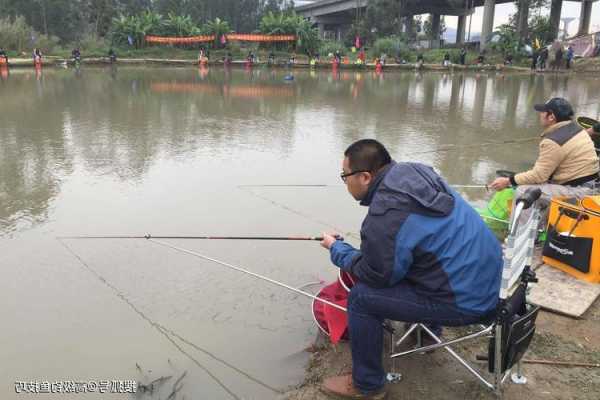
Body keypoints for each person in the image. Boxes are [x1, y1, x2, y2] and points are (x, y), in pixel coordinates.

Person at [319, 139, 503, 400]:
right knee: (418, 255)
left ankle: (367, 386)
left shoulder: (385, 214)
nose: (344, 182)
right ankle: (426, 335)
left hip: (467, 301)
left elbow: (376, 275)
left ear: (364, 177)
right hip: (486, 281)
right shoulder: (416, 171)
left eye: (344, 176)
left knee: (361, 298)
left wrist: (338, 250)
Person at [489, 98, 599, 225]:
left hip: (580, 192)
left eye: (543, 111)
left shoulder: (553, 141)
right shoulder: (577, 128)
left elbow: (539, 175)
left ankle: (519, 239)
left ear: (551, 116)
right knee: (534, 185)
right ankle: (539, 228)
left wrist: (508, 181)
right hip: (591, 186)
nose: (540, 114)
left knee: (523, 192)